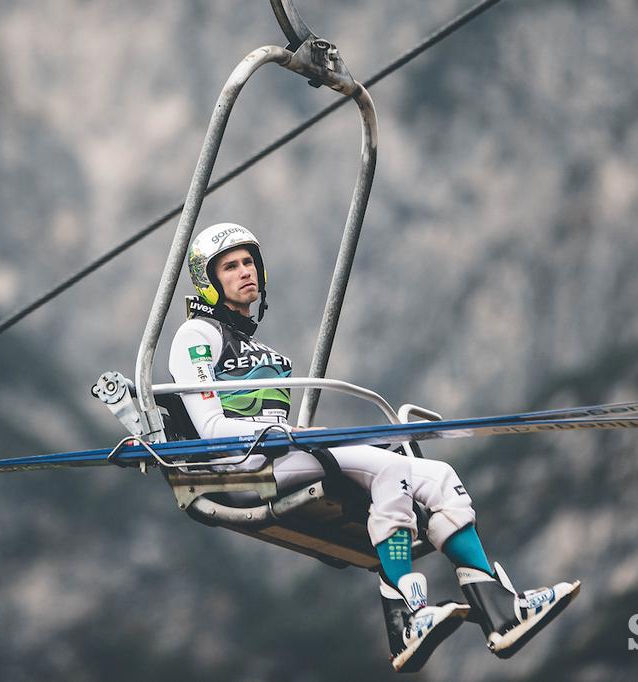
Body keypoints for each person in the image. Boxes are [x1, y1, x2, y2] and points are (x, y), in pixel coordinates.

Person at [168, 223, 580, 672]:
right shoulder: (196, 336)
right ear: (208, 281)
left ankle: (500, 612)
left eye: (249, 262)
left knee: (439, 476)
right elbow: (210, 427)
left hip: (285, 454)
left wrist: (295, 434)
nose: (245, 272)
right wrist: (282, 435)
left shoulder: (260, 348)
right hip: (244, 467)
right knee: (390, 471)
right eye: (230, 266)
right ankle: (406, 611)